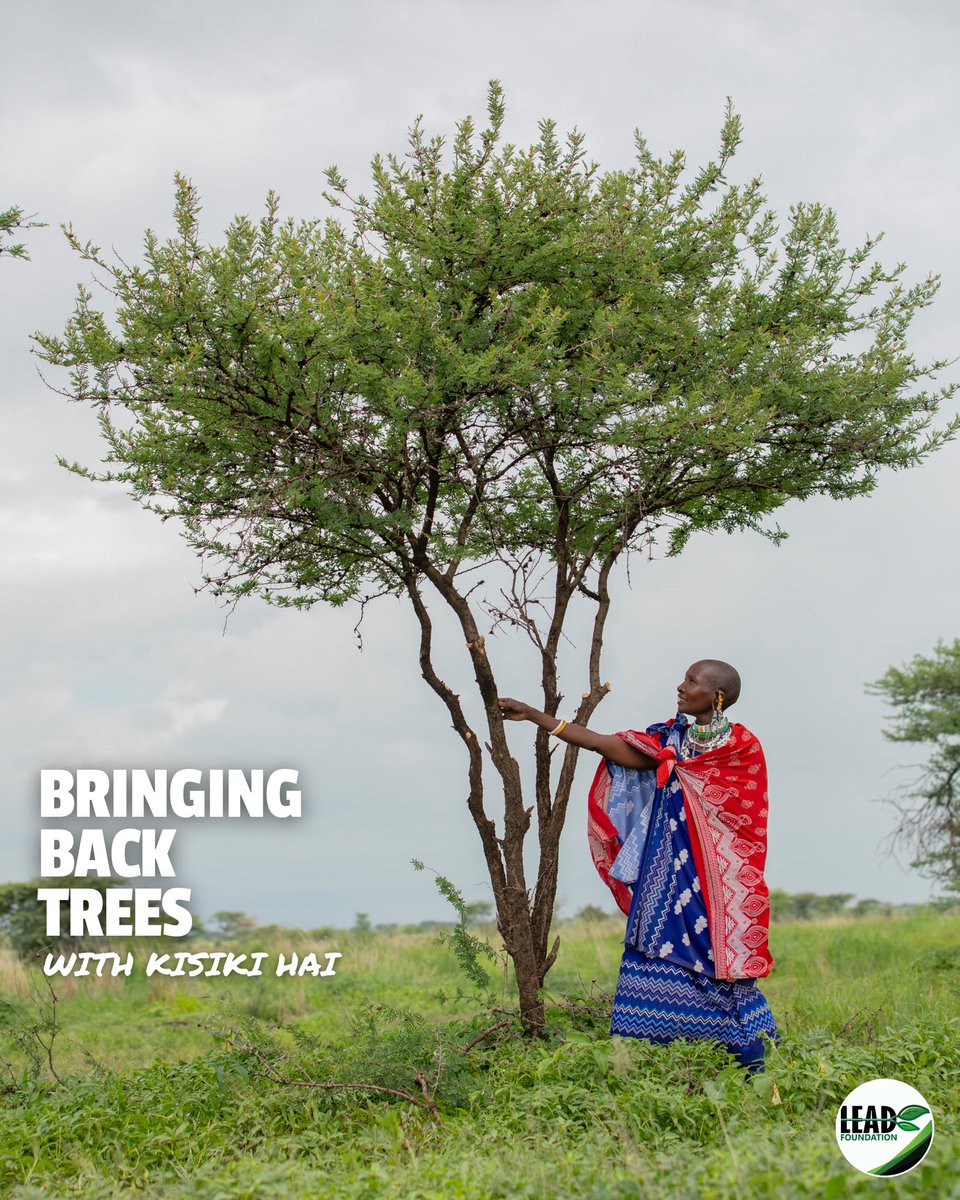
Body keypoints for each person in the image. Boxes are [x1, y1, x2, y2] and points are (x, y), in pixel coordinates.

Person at [498, 660, 777, 1071]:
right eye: (683, 677)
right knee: (656, 948)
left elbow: (743, 821)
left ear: (716, 697)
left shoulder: (740, 748)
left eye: (691, 681)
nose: (680, 686)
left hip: (714, 884)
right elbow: (602, 743)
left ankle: (747, 1059)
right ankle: (655, 1063)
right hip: (663, 876)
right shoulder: (670, 742)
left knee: (714, 959)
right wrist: (537, 717)